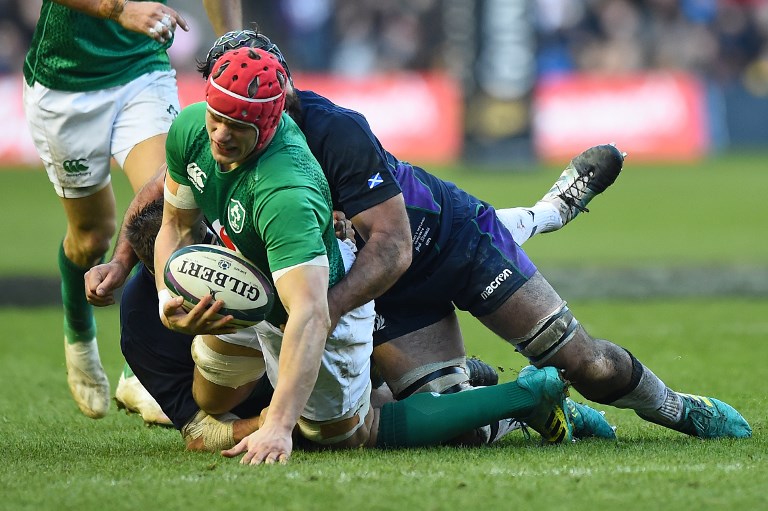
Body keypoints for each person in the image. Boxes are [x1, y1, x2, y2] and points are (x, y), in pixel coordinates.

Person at [153, 47, 587, 464]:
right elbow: (174, 224)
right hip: (252, 277)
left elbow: (312, 313)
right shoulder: (192, 128)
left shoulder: (286, 192)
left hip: (314, 289)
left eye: (238, 126)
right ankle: (445, 384)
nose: (221, 134)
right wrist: (164, 299)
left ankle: (525, 396)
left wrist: (279, 427)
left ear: (270, 123)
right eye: (217, 117)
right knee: (209, 397)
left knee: (343, 435)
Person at [120, 198, 610, 451]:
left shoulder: (252, 227)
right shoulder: (142, 327)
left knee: (355, 430)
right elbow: (201, 430)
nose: (221, 251)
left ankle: (521, 395)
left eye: (210, 237)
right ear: (157, 273)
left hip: (334, 327)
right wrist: (277, 423)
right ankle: (518, 400)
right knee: (379, 418)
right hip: (277, 383)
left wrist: (333, 222)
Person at [22, 0, 242, 420]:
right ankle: (79, 333)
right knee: (91, 238)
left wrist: (230, 44)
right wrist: (117, 10)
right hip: (66, 82)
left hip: (142, 68)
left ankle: (142, 369)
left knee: (170, 206)